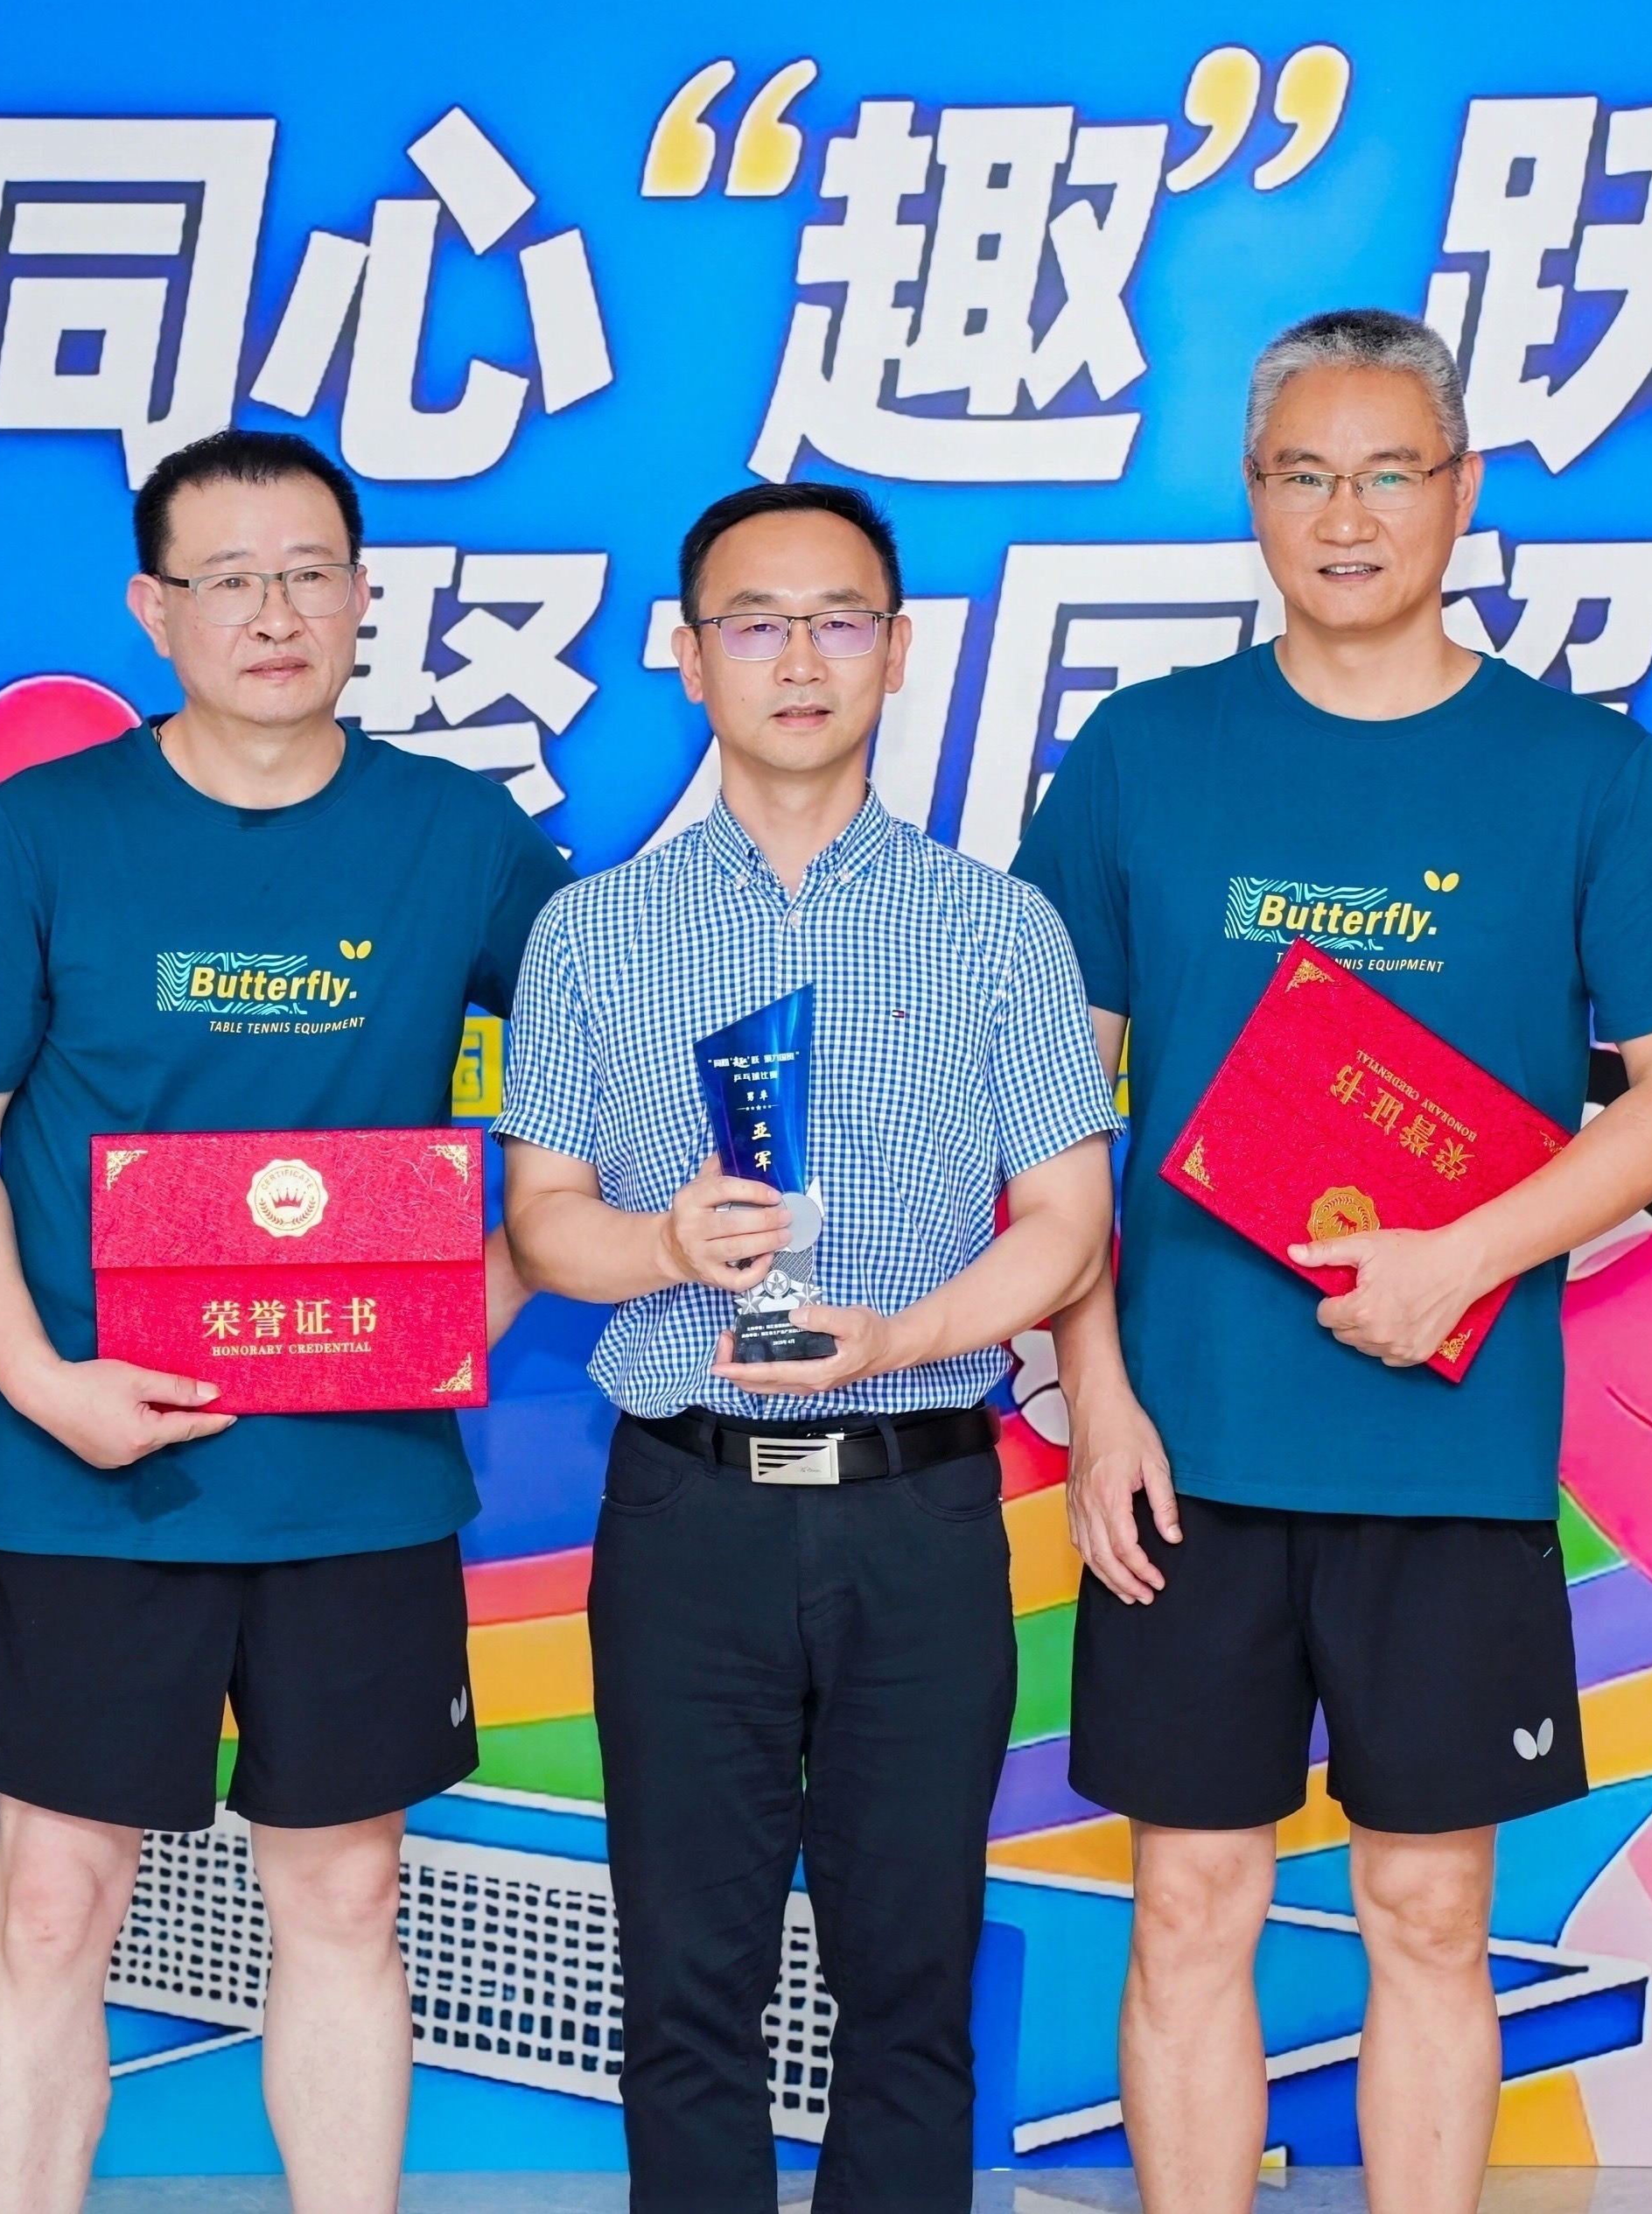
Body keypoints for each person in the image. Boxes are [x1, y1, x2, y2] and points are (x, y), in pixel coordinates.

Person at [1012, 308, 1652, 2213]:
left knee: (1430, 1911)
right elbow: (1052, 1111)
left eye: (1389, 472)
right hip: (1188, 1452)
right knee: (1191, 1902)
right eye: (1305, 476)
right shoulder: (1146, 753)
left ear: (1463, 491)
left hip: (1451, 1451)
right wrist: (1095, 1400)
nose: (1347, 516)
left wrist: (1459, 1260)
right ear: (1254, 496)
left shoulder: (1579, 771)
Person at [0, 428, 570, 2214]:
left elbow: (610, 1079)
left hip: (356, 1481)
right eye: (231, 580)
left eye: (310, 575)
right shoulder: (51, 829)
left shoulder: (458, 835)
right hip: (94, 1474)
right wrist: (38, 1382)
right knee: (51, 1904)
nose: (276, 614)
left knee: (343, 1895)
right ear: (153, 608)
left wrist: (476, 1298)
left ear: (362, 596)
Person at [499, 480, 1116, 2212]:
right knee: (684, 1984)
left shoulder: (996, 928)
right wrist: (661, 1244)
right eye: (753, 622)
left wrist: (902, 1333)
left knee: (910, 1981)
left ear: (897, 652)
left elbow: (1067, 1227)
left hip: (918, 1509)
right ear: (689, 657)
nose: (797, 659)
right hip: (685, 1512)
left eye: (838, 620)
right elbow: (542, 1219)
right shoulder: (594, 935)